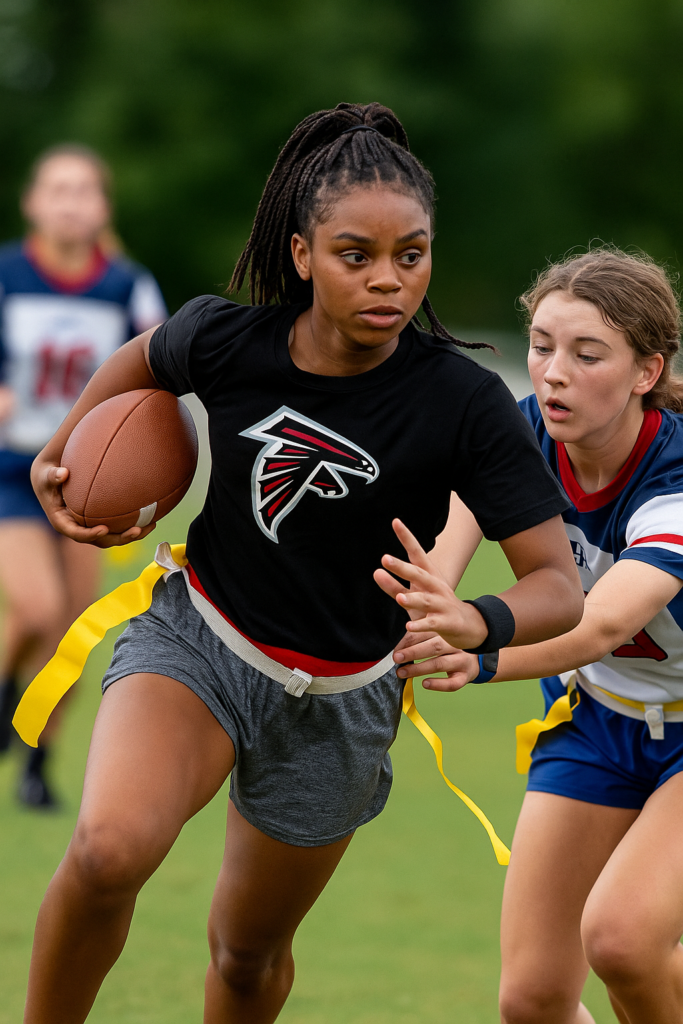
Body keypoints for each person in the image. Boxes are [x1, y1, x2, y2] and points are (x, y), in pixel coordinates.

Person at [24, 103, 582, 1023]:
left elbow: (557, 585)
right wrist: (66, 444)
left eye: (412, 255)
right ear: (300, 256)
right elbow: (143, 360)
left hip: (341, 697)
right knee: (108, 848)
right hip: (199, 640)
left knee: (246, 958)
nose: (388, 280)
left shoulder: (464, 403)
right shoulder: (227, 339)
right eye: (354, 255)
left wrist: (474, 619)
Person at [386, 248, 683, 1024]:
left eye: (586, 354)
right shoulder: (522, 434)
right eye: (542, 345)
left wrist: (476, 656)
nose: (552, 372)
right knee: (532, 999)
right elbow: (445, 548)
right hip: (594, 723)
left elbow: (605, 622)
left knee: (621, 941)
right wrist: (420, 616)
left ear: (644, 372)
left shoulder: (674, 473)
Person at [0, 144, 167, 807]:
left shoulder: (128, 286)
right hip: (12, 468)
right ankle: (7, 693)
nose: (71, 203)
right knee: (35, 608)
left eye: (84, 191)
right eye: (58, 190)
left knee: (70, 627)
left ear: (103, 207)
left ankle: (38, 763)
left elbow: (164, 370)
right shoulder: (8, 273)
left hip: (84, 477)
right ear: (32, 203)